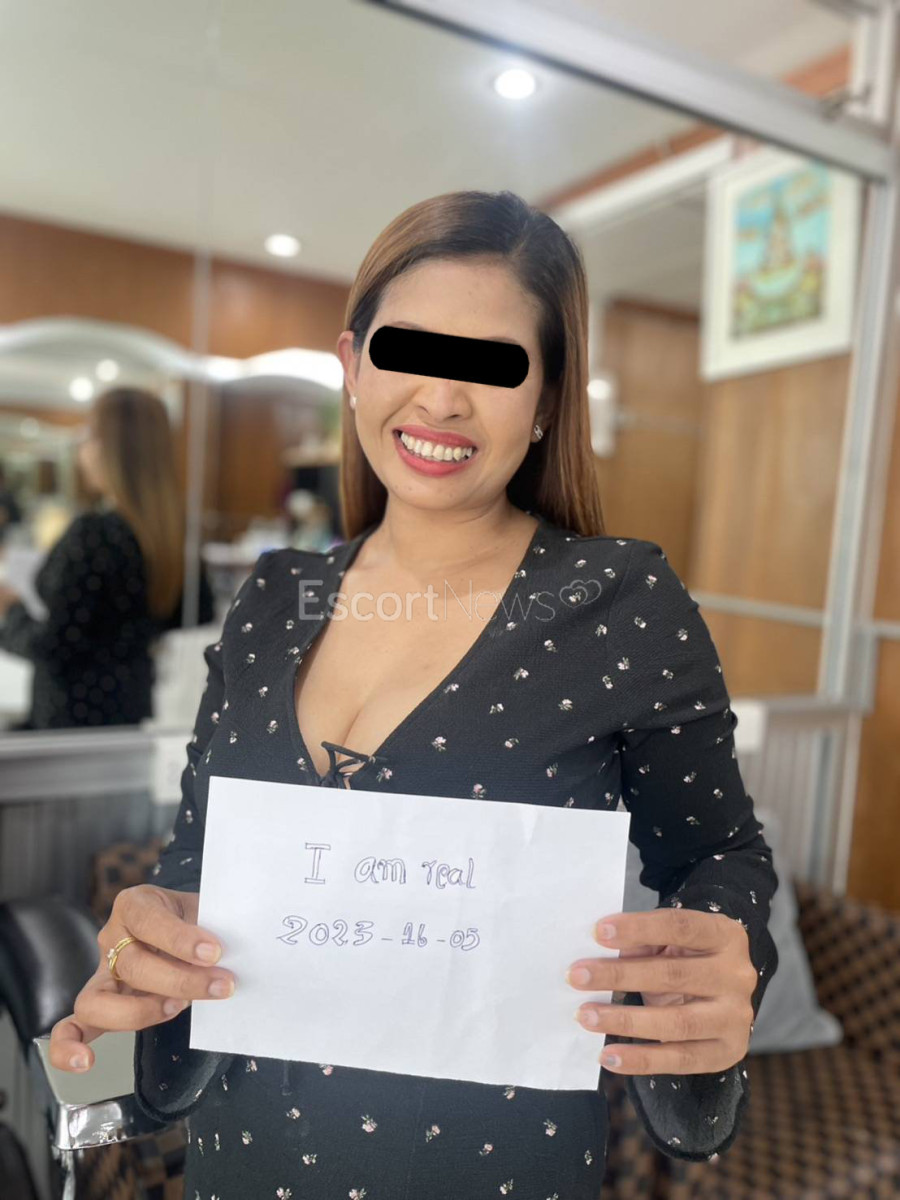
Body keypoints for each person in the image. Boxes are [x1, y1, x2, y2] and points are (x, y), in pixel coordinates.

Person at [48, 191, 779, 1198]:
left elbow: (718, 855)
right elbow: (201, 861)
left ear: (548, 401)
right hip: (240, 1158)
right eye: (408, 353)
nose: (441, 399)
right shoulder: (274, 599)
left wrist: (724, 960)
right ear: (352, 367)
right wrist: (146, 938)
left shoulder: (616, 602)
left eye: (493, 366)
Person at [0, 387, 213, 729]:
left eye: (88, 436)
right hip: (131, 709)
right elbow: (197, 613)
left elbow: (54, 646)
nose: (82, 449)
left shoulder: (94, 535)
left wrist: (11, 610)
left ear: (108, 447)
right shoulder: (174, 535)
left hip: (72, 718)